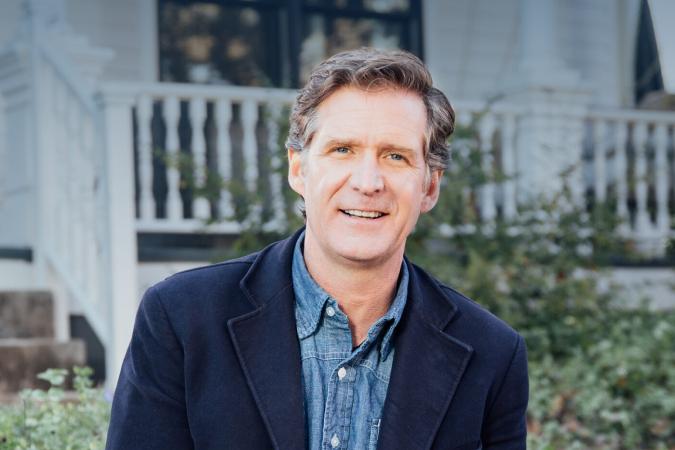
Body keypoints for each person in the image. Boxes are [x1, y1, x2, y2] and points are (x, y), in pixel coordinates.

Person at [106, 48, 528, 450]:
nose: (368, 182)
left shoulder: (491, 354)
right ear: (298, 169)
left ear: (430, 186)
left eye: (395, 156)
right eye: (342, 150)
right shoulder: (182, 317)